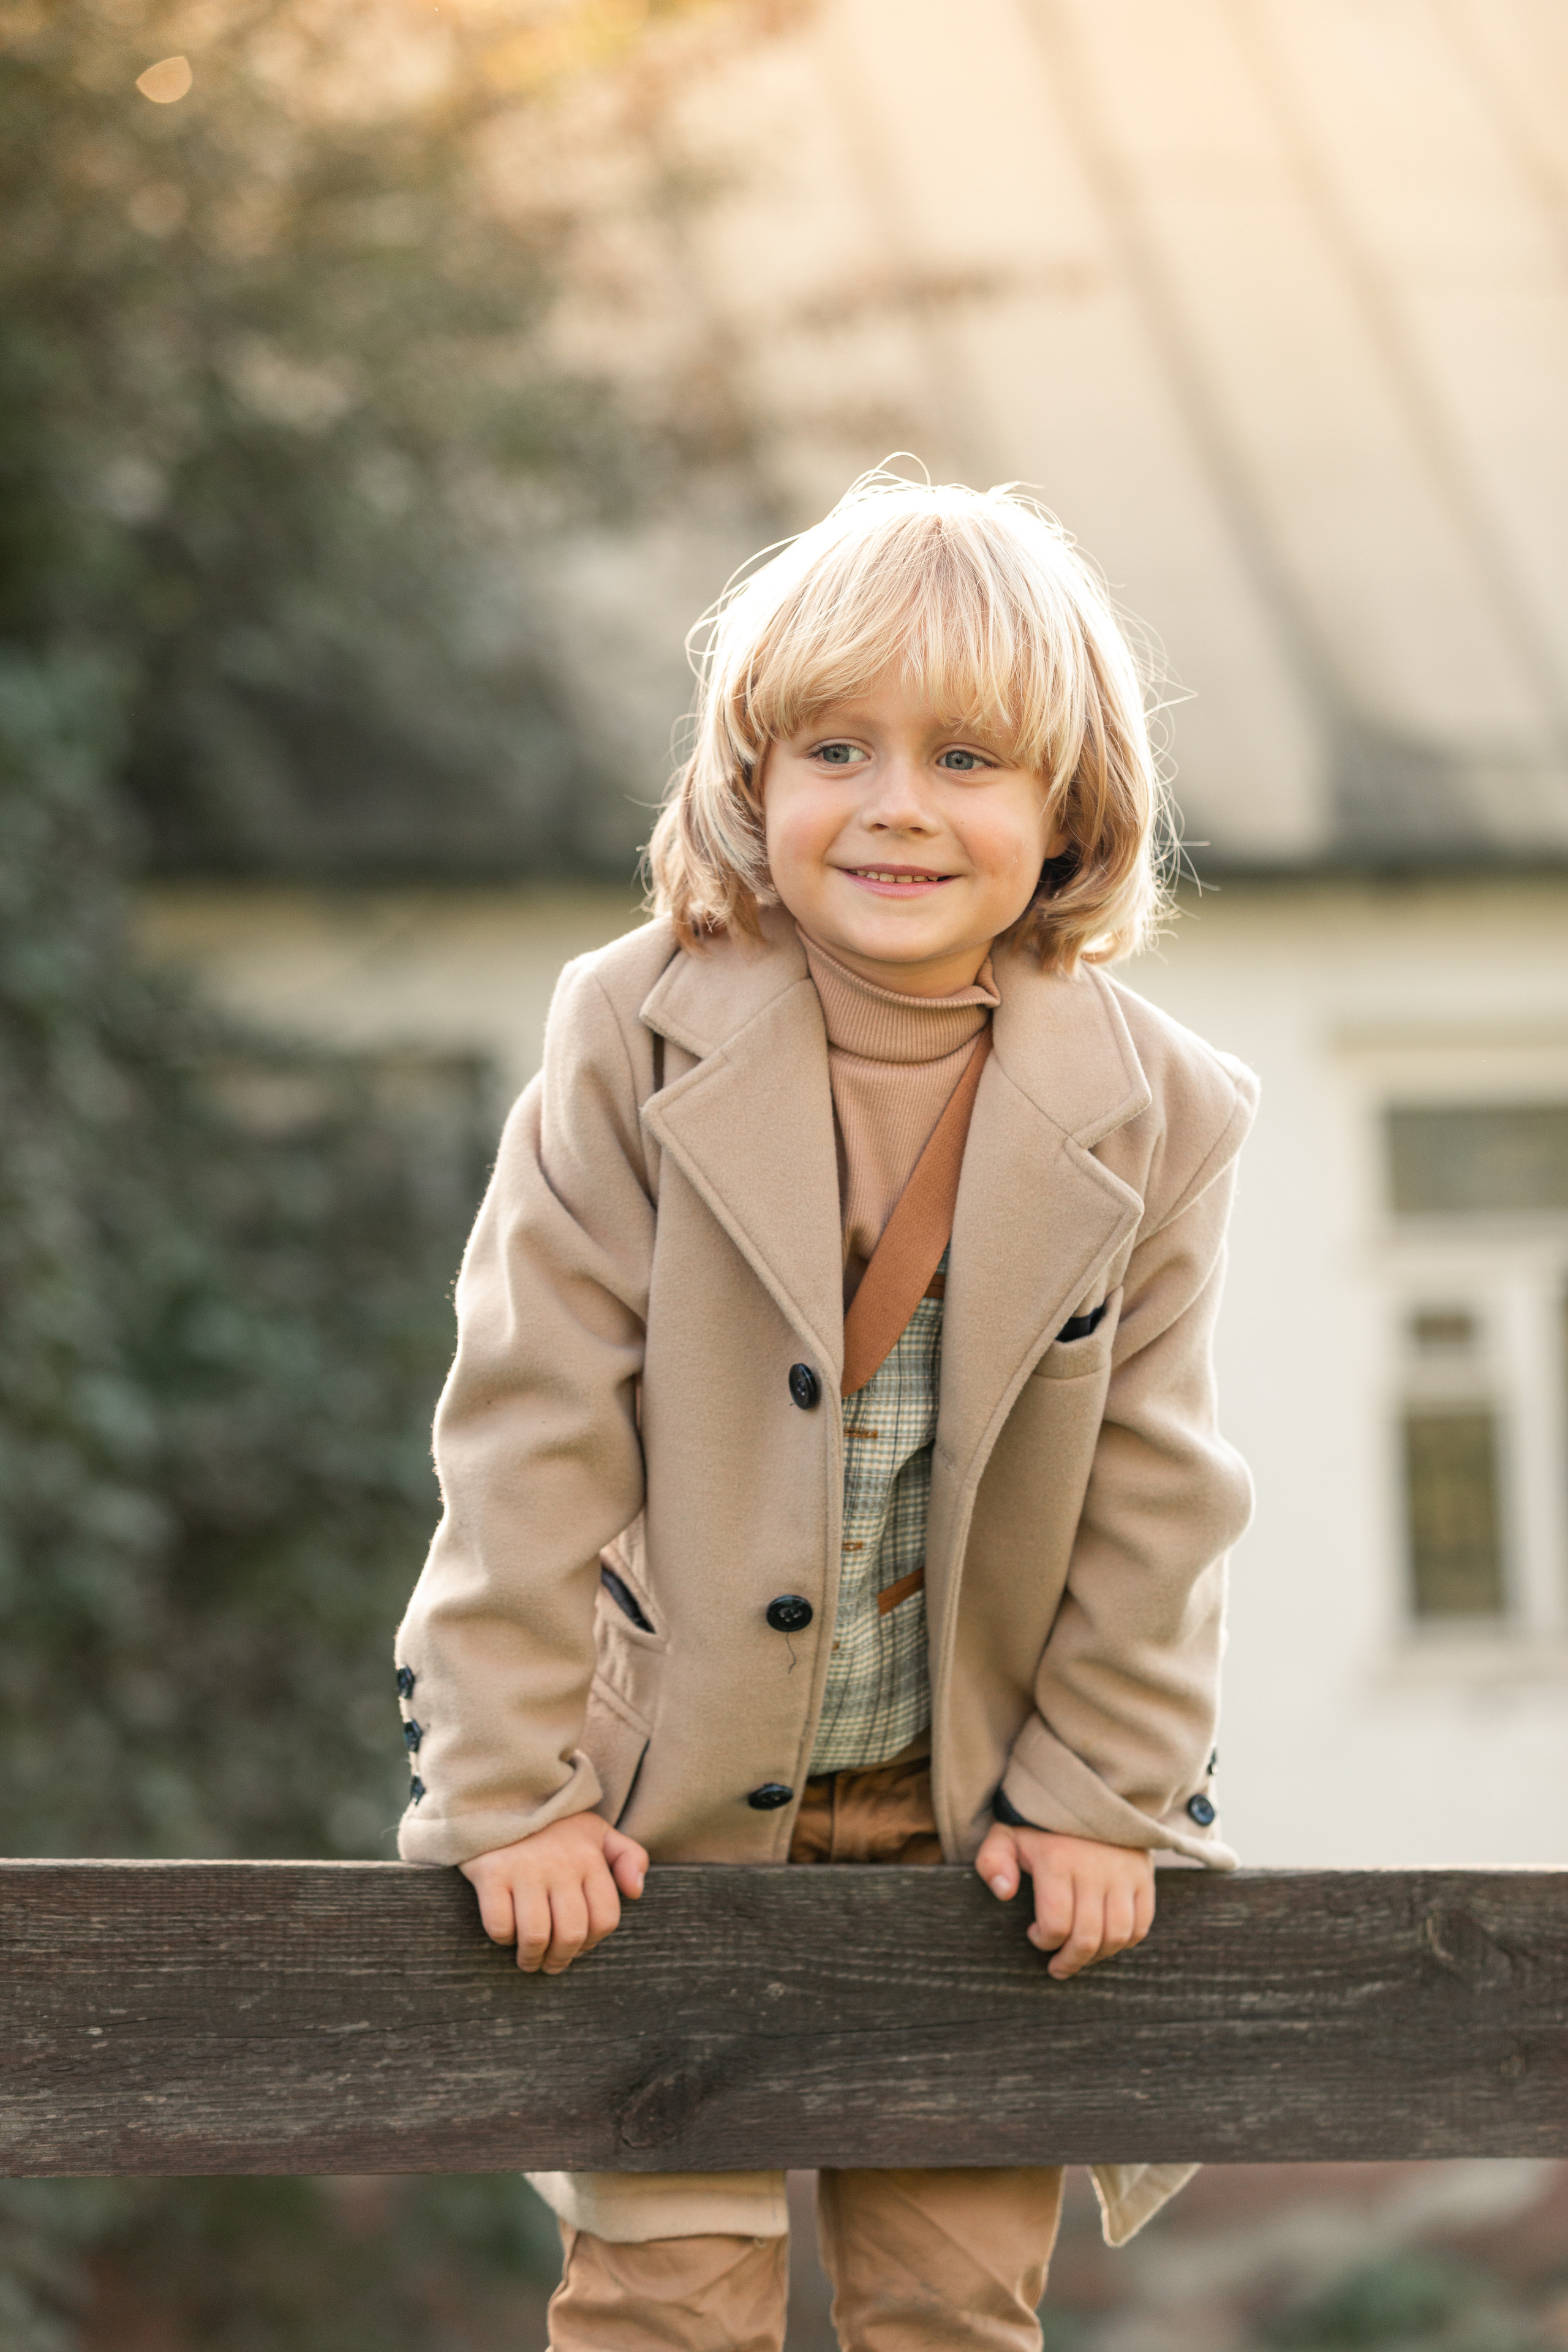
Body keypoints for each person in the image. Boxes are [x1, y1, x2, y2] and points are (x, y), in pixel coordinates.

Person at [394, 473, 1257, 2352]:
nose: (895, 805)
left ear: (1068, 812)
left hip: (978, 1830)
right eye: (837, 748)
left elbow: (1155, 1491)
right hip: (657, 1821)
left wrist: (1106, 1797)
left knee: (953, 2306)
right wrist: (505, 1795)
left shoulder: (1163, 1108)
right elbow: (528, 1434)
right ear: (751, 783)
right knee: (663, 2301)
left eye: (965, 756)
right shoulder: (630, 1037)